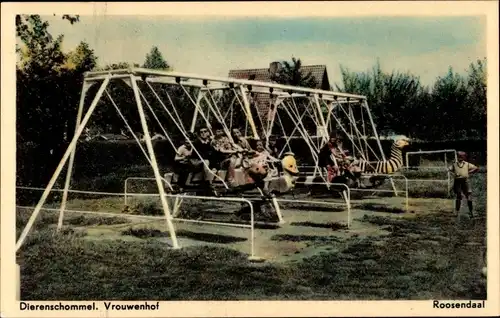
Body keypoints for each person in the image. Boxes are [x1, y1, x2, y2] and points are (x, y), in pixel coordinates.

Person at [448, 151, 479, 217]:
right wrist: (454, 174)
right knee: (458, 196)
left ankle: (471, 212)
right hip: (457, 181)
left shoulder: (467, 164)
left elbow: (476, 168)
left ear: (464, 157)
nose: (460, 157)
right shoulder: (455, 164)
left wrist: (469, 172)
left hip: (465, 181)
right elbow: (449, 169)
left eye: (462, 156)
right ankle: (457, 212)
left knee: (469, 196)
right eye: (459, 156)